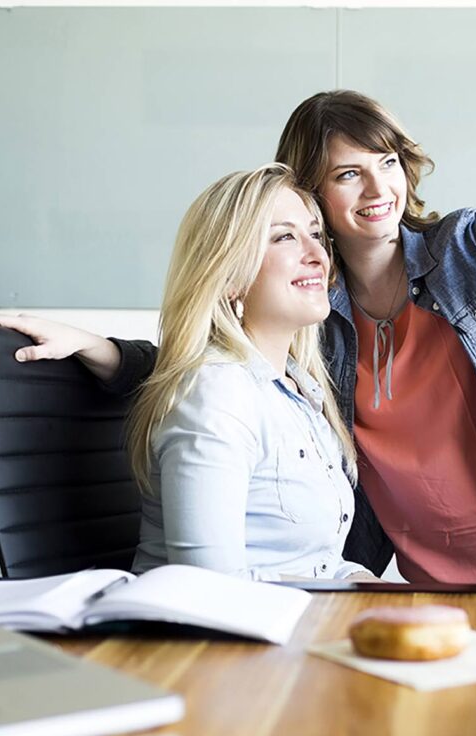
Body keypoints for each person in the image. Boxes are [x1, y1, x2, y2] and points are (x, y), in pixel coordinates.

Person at [0, 76, 476, 585]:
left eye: (387, 161)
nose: (378, 188)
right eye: (348, 173)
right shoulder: (305, 314)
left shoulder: (466, 248)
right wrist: (100, 351)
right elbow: (213, 361)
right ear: (310, 191)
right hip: (436, 579)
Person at [116, 163, 375, 582]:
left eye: (315, 233)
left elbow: (318, 564)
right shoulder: (216, 393)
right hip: (222, 641)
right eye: (285, 236)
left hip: (297, 624)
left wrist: (392, 596)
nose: (318, 255)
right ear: (231, 277)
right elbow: (211, 590)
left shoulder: (299, 389)